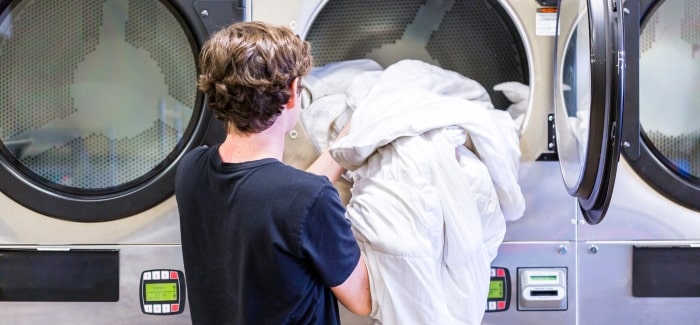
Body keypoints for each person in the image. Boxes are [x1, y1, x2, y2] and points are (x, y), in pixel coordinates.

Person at [174, 21, 371, 324]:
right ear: (292, 93)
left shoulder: (191, 171)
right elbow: (362, 300)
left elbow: (281, 200)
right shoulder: (308, 199)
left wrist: (344, 144)